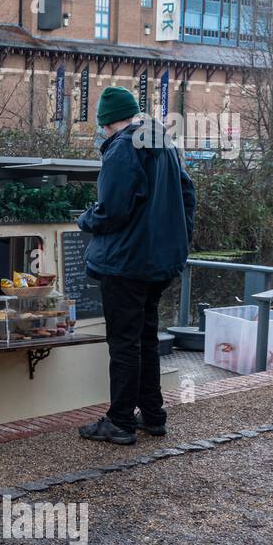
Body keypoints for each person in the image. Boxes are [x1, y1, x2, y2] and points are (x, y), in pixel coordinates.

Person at [77, 86, 197, 446]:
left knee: (124, 343)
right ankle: (153, 415)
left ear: (106, 121)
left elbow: (112, 210)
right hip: (158, 263)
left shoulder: (121, 149)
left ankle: (119, 422)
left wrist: (85, 220)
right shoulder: (163, 144)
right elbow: (188, 196)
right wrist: (177, 241)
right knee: (146, 338)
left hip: (125, 264)